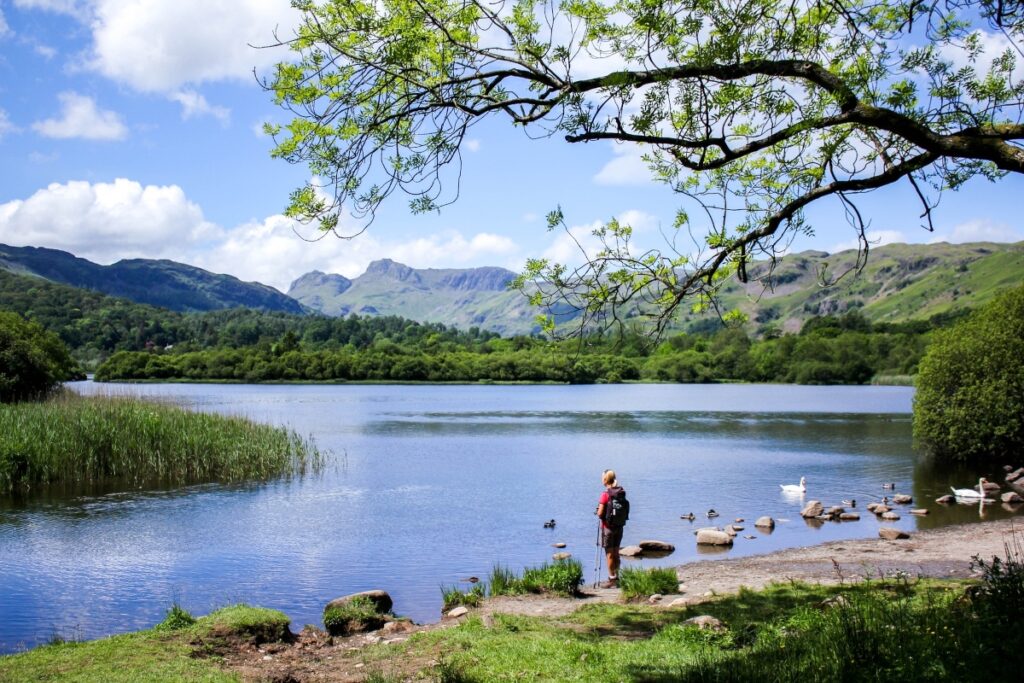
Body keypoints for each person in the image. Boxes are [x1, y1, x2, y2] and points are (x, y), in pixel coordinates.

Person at [596, 469, 623, 588]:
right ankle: (617, 576)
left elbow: (600, 513)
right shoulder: (621, 492)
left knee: (609, 554)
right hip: (619, 526)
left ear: (606, 479)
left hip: (607, 528)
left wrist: (598, 512)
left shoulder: (605, 494)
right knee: (616, 553)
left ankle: (612, 579)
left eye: (603, 477)